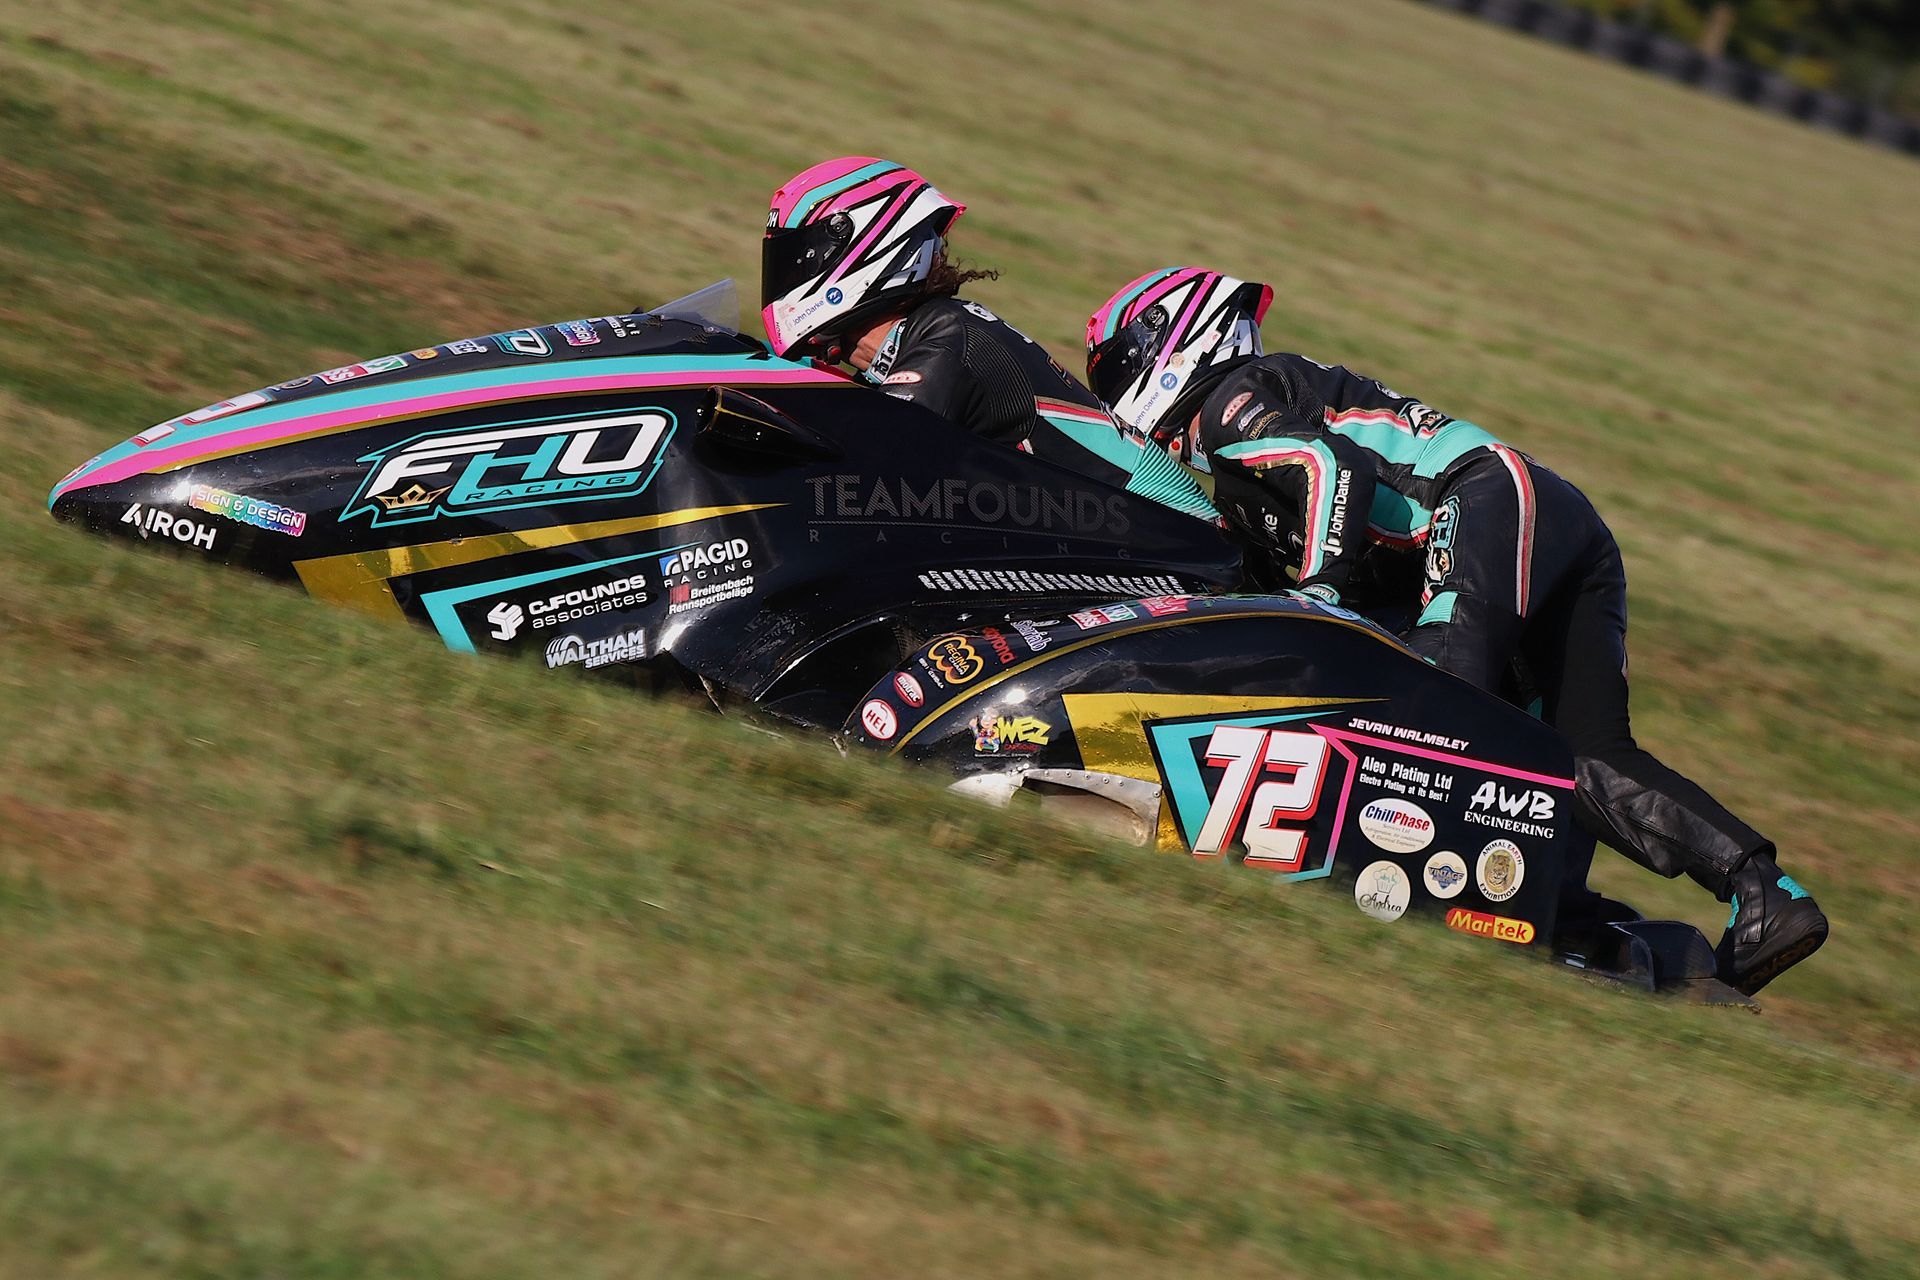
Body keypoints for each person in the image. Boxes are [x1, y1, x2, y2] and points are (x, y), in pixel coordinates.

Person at [1085, 266, 1827, 995]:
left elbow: (1329, 468)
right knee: (1573, 751)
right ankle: (1757, 893)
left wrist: (1317, 595)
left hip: (1483, 501)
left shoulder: (1225, 405)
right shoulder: (1250, 431)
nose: (1113, 399)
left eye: (1115, 373)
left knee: (1438, 718)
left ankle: (1495, 909)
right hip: (1552, 514)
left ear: (1170, 343)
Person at [761, 158, 1215, 520]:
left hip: (1173, 541)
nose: (782, 279)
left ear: (864, 247)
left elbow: (869, 466)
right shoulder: (921, 338)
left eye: (794, 260)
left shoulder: (947, 337)